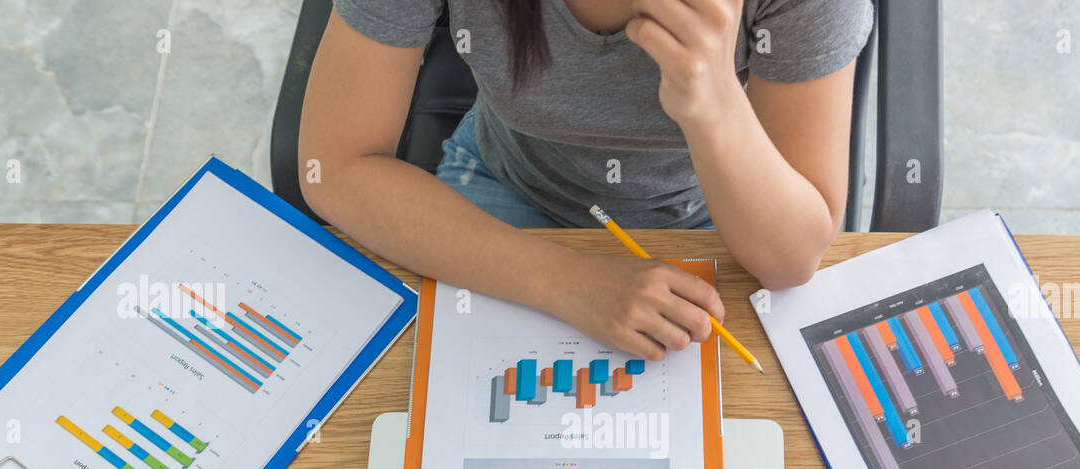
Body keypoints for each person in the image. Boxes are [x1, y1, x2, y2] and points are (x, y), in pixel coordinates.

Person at [300, 0, 873, 360]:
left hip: (717, 208)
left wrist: (715, 104)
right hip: (512, 182)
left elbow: (790, 259)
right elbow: (336, 168)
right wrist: (567, 282)